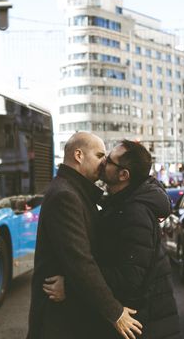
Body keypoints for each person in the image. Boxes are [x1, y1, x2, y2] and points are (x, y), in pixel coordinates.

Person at [44, 140, 181, 339]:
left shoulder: (134, 213)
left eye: (107, 160)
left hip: (142, 327)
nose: (102, 163)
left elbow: (129, 278)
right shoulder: (120, 204)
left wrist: (71, 287)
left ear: (123, 175)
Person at [27, 132, 142, 339]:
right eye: (99, 155)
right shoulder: (66, 196)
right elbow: (80, 261)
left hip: (67, 317)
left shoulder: (76, 192)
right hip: (58, 323)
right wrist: (115, 313)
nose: (104, 162)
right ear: (78, 155)